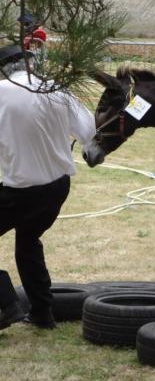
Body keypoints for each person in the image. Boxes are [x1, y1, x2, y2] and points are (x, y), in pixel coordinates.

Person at [0, 46, 96, 330]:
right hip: (56, 187)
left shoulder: (2, 91)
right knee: (28, 243)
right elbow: (88, 132)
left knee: (27, 243)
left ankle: (6, 304)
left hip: (21, 190)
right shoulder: (58, 89)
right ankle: (42, 312)